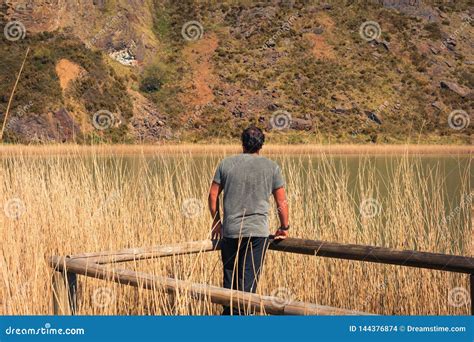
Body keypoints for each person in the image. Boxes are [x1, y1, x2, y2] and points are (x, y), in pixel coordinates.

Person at [208, 126, 289, 315]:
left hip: (230, 232)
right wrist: (284, 227)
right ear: (262, 145)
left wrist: (216, 222)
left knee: (229, 287)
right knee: (247, 288)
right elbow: (281, 202)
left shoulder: (226, 164)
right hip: (257, 234)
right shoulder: (272, 167)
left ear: (242, 143)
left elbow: (213, 196)